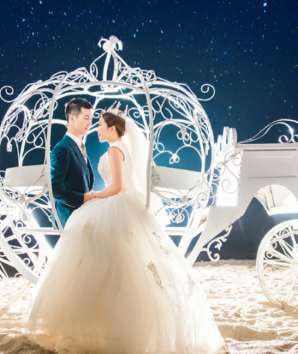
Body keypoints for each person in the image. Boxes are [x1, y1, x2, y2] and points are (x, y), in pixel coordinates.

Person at [25, 103, 227, 354]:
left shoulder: (114, 149)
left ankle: (108, 317)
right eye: (89, 119)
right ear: (72, 118)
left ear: (112, 128)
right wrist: (93, 196)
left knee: (114, 261)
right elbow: (64, 186)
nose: (95, 127)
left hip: (117, 201)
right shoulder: (106, 147)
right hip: (112, 203)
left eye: (99, 123)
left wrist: (95, 196)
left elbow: (117, 186)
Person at [50, 98, 95, 228]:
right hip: (68, 218)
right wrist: (83, 198)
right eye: (86, 118)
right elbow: (52, 188)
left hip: (82, 216)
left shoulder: (79, 146)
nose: (90, 123)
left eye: (91, 118)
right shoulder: (62, 148)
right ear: (72, 118)